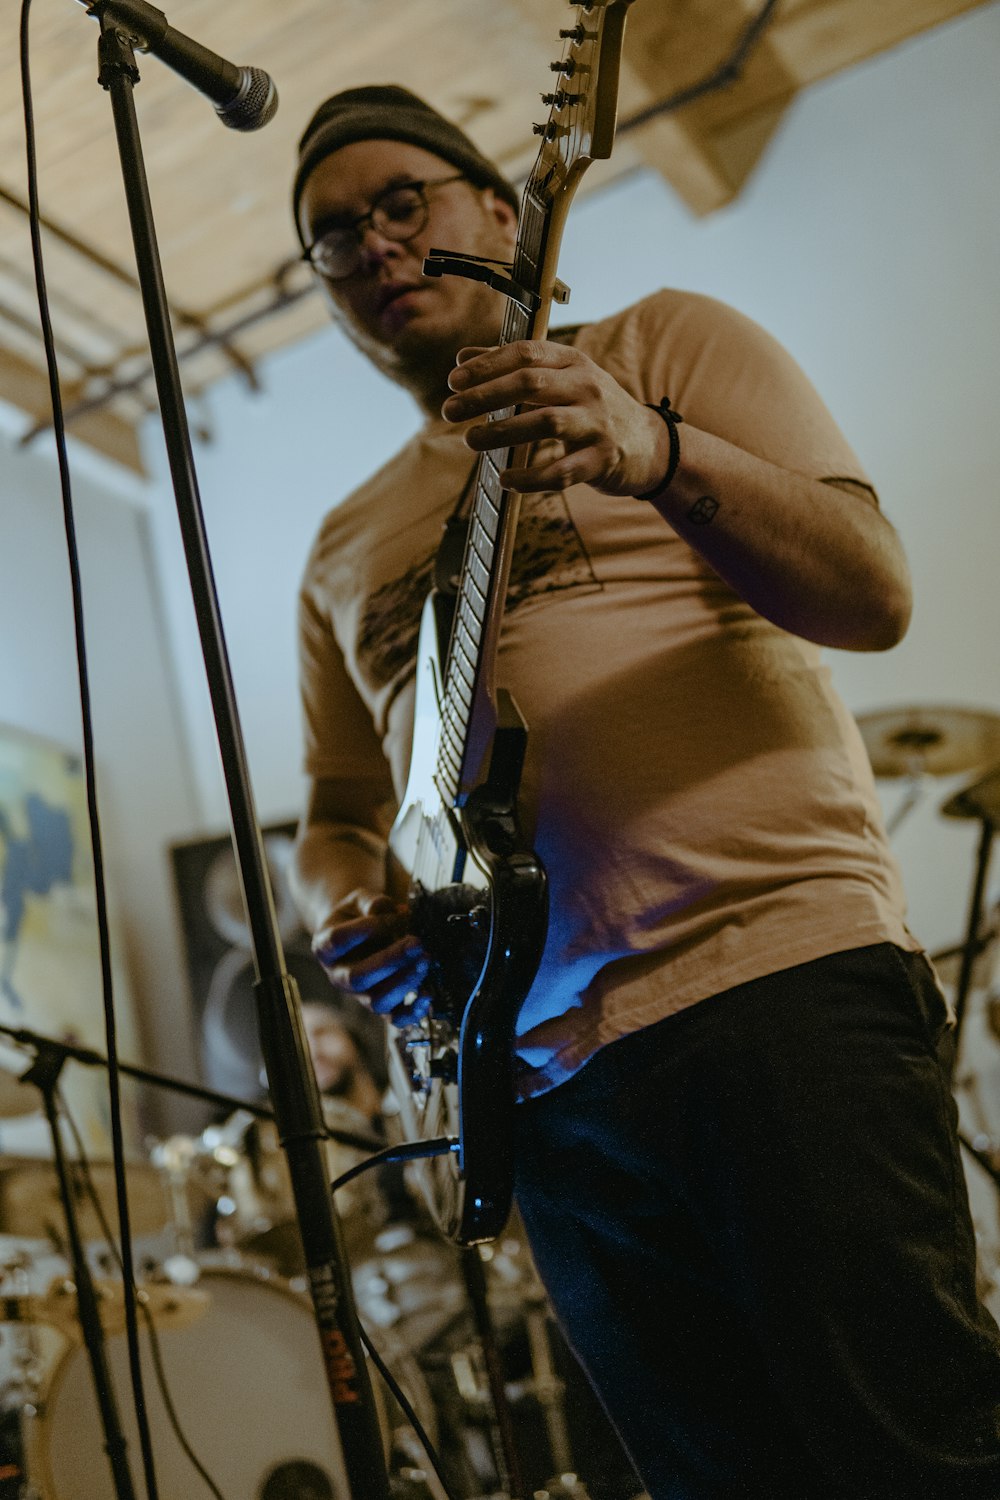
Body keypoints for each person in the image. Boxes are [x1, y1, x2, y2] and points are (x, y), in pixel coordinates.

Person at [286, 83, 1000, 1498]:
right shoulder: (340, 544)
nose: (372, 244)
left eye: (400, 201)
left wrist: (656, 449)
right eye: (332, 238)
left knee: (914, 1451)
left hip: (781, 983)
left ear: (506, 209)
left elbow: (874, 594)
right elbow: (332, 812)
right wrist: (343, 906)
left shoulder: (660, 340)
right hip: (545, 1079)